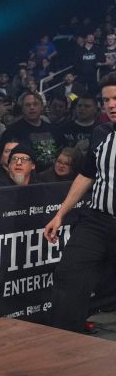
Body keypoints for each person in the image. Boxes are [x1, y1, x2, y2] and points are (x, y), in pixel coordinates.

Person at [43, 71, 116, 333]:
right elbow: (86, 175)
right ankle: (64, 340)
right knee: (69, 273)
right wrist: (60, 214)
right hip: (97, 220)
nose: (111, 105)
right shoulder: (101, 133)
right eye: (106, 100)